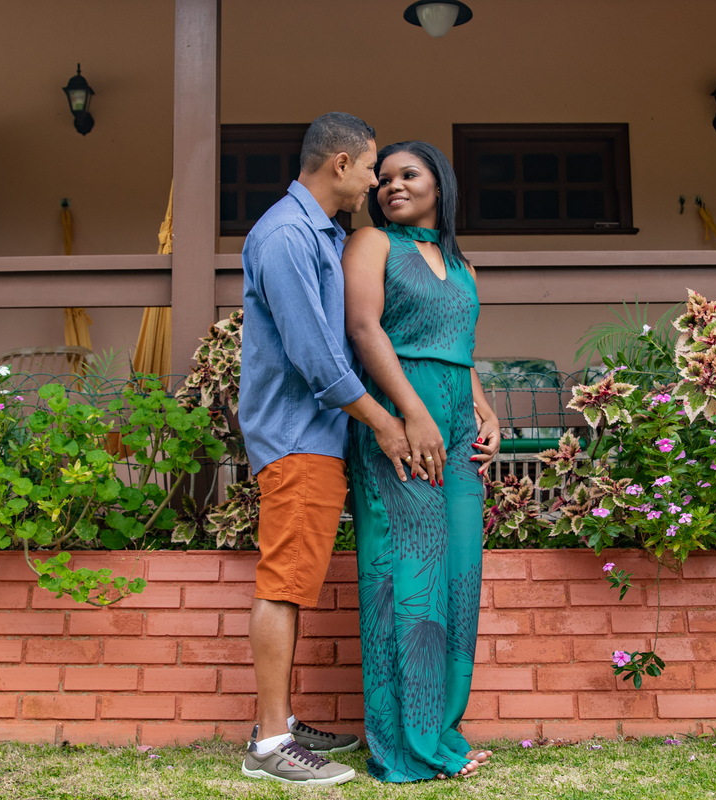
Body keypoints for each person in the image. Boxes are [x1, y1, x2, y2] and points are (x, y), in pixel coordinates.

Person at [237, 112, 415, 787]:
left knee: (295, 580)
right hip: (296, 437)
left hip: (310, 438)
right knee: (284, 585)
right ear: (339, 163)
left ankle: (278, 719)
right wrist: (383, 422)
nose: (376, 180)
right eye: (371, 166)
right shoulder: (286, 235)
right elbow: (316, 357)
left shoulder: (318, 233)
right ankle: (271, 745)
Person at [341, 140, 501, 782]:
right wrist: (412, 414)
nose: (391, 187)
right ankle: (403, 746)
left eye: (408, 175)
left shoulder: (461, 262)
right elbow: (364, 330)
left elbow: (459, 348)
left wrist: (485, 410)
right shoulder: (372, 245)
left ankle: (440, 730)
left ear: (441, 182)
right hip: (402, 422)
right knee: (407, 576)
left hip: (458, 426)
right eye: (382, 180)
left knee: (459, 574)